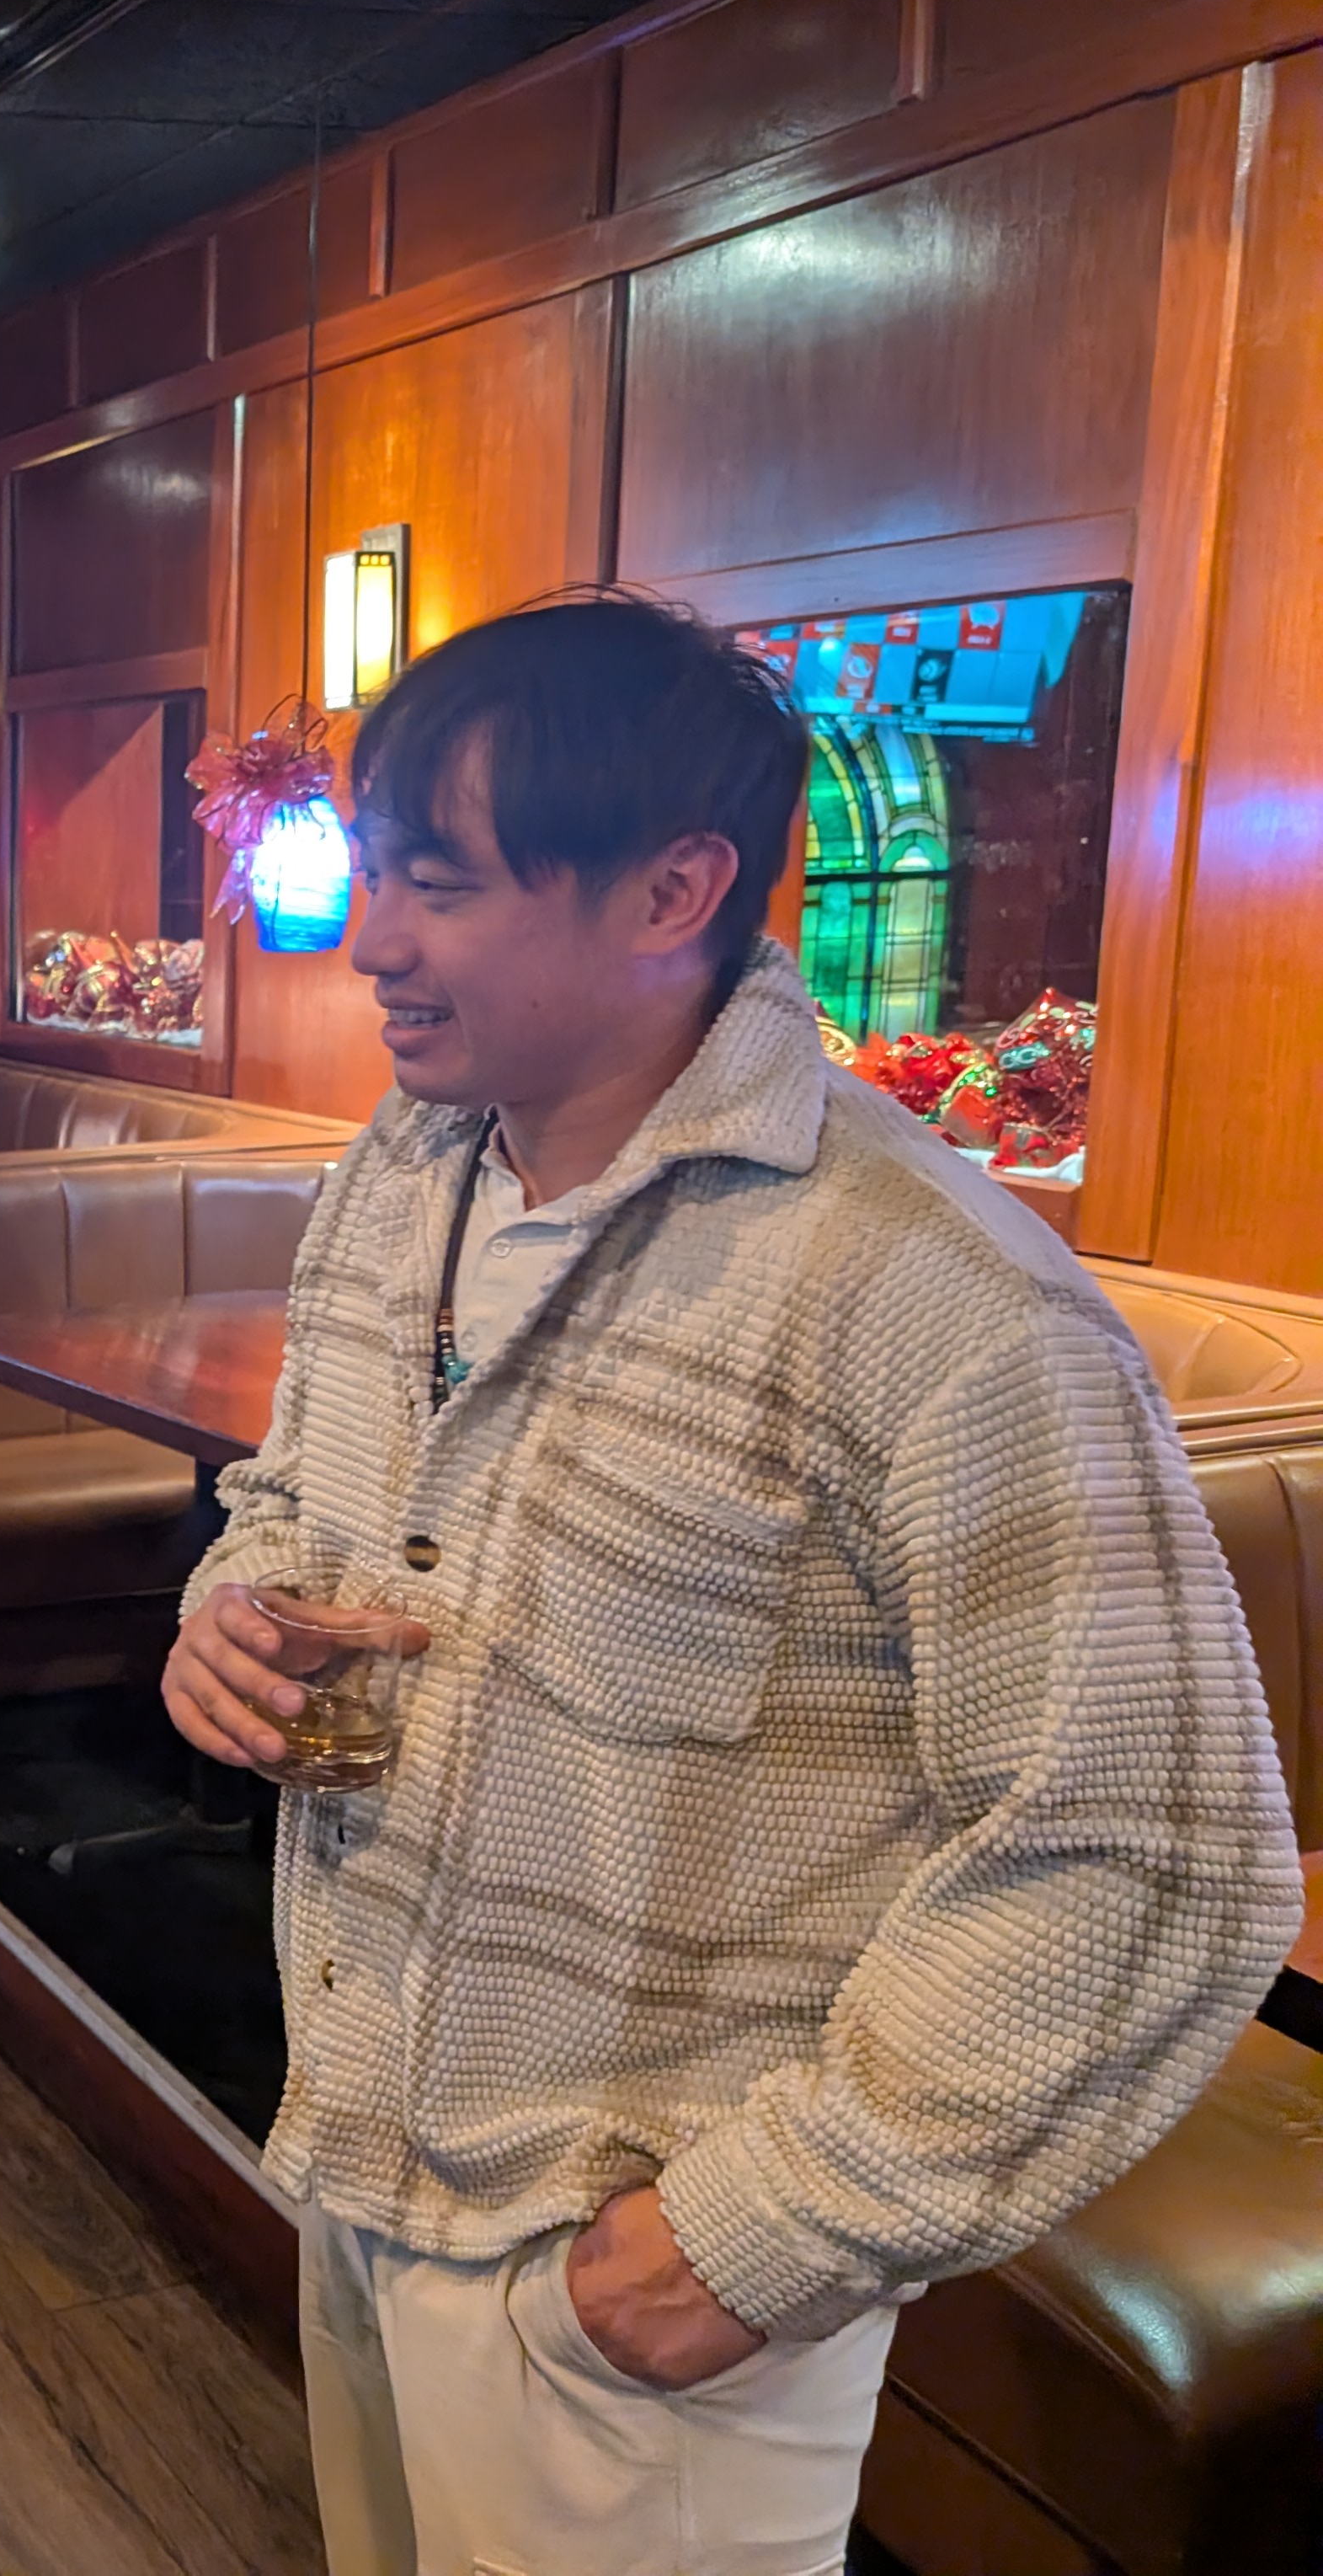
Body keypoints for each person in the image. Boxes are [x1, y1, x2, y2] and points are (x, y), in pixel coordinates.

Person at [158, 594, 1300, 2575]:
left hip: (628, 2267)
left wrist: (761, 2236)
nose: (371, 940)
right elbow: (295, 1502)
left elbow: (1153, 1849)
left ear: (674, 891)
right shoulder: (405, 1172)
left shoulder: (930, 1292)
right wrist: (231, 1609)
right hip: (359, 2140)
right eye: (378, 872)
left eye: (440, 884)